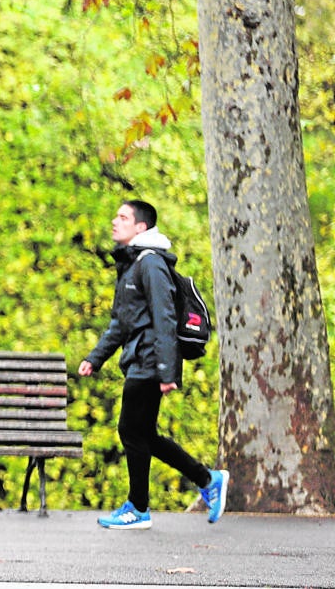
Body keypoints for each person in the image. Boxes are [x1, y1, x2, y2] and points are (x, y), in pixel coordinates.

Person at [78, 200, 229, 530]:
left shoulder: (151, 264)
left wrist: (166, 371)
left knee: (131, 431)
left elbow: (165, 317)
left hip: (150, 360)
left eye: (122, 217)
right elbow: (121, 323)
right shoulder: (133, 266)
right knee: (144, 434)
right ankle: (208, 479)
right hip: (141, 357)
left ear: (141, 227)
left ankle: (139, 507)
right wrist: (95, 357)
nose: (114, 221)